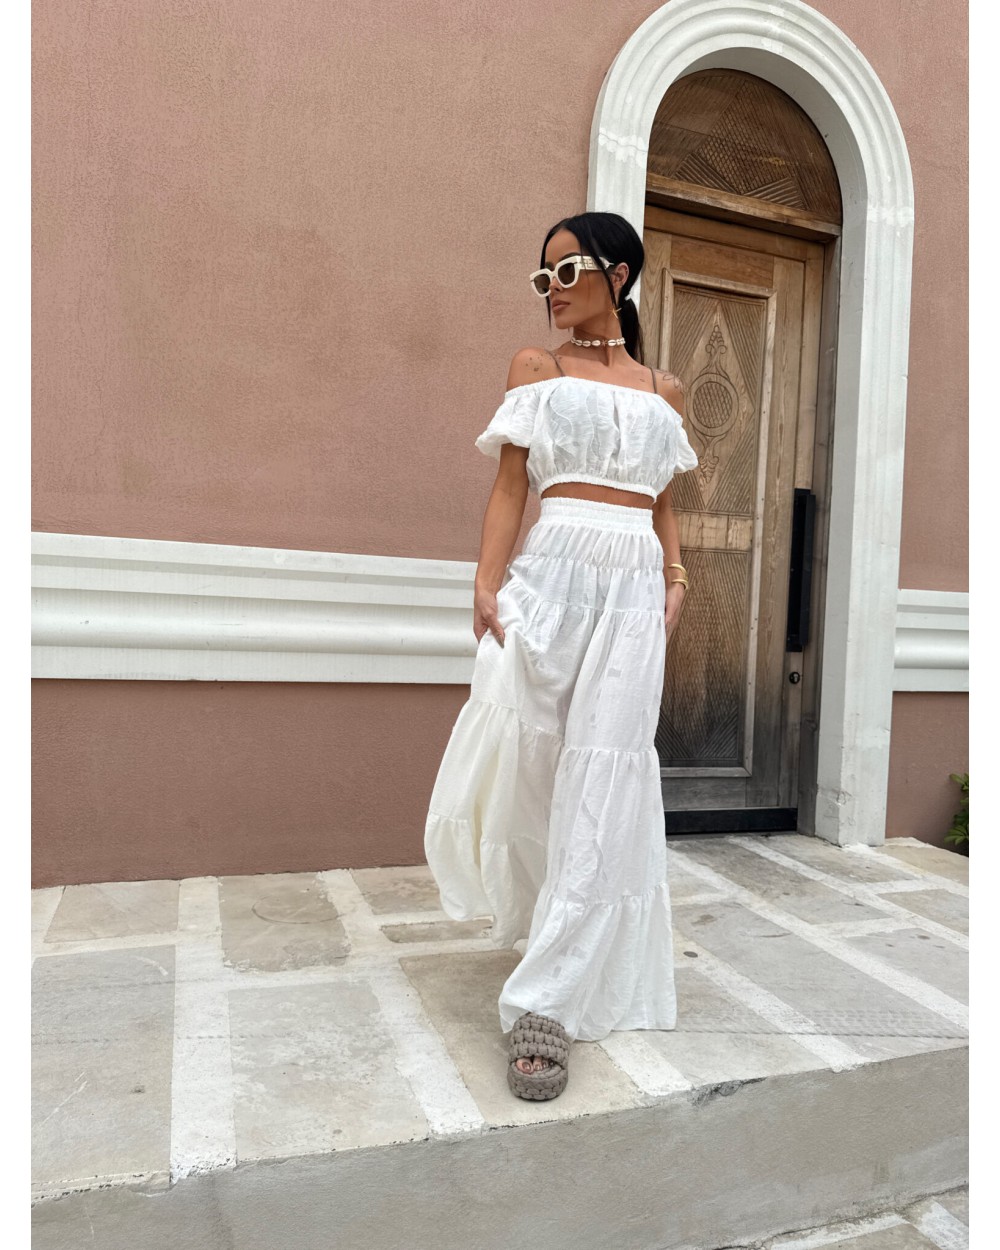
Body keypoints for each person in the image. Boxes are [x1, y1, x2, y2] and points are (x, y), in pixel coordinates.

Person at [423, 211, 699, 1101]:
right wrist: (485, 580)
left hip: (633, 589)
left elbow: (662, 501)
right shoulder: (535, 369)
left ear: (617, 275)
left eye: (567, 270)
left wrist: (677, 574)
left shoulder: (665, 390)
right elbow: (510, 485)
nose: (552, 290)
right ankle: (550, 924)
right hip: (550, 577)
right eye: (542, 277)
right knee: (533, 765)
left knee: (606, 774)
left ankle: (544, 1000)